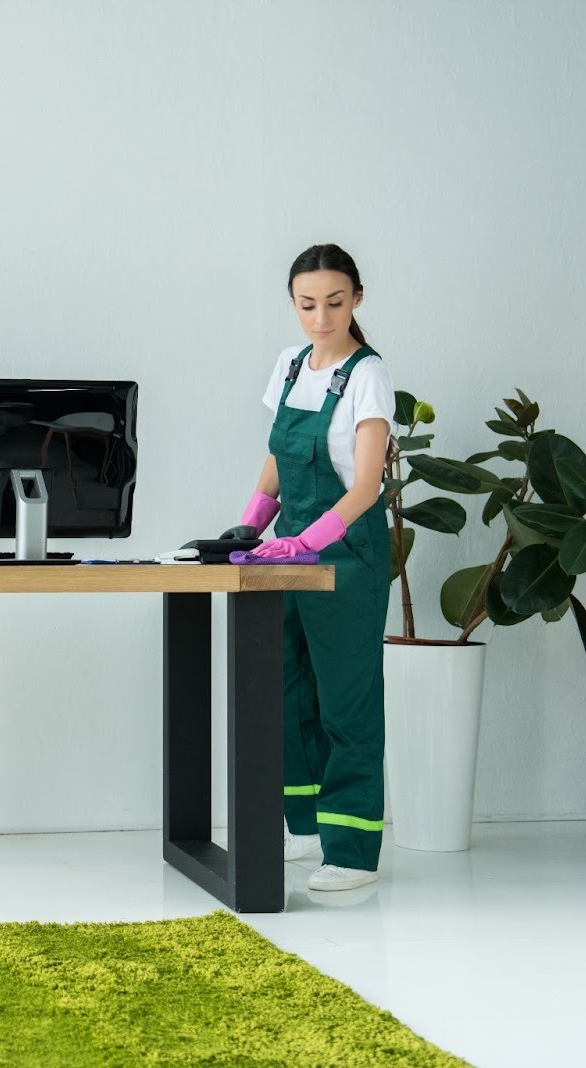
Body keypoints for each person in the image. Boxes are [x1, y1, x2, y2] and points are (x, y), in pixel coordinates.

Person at [235, 243, 393, 892]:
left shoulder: (367, 375)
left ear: (357, 298)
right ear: (292, 304)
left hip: (346, 558)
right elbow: (278, 456)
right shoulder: (291, 364)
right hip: (288, 555)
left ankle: (351, 852)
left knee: (345, 703)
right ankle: (303, 828)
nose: (320, 318)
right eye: (307, 305)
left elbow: (368, 482)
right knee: (287, 689)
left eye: (334, 302)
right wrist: (250, 523)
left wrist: (315, 538)